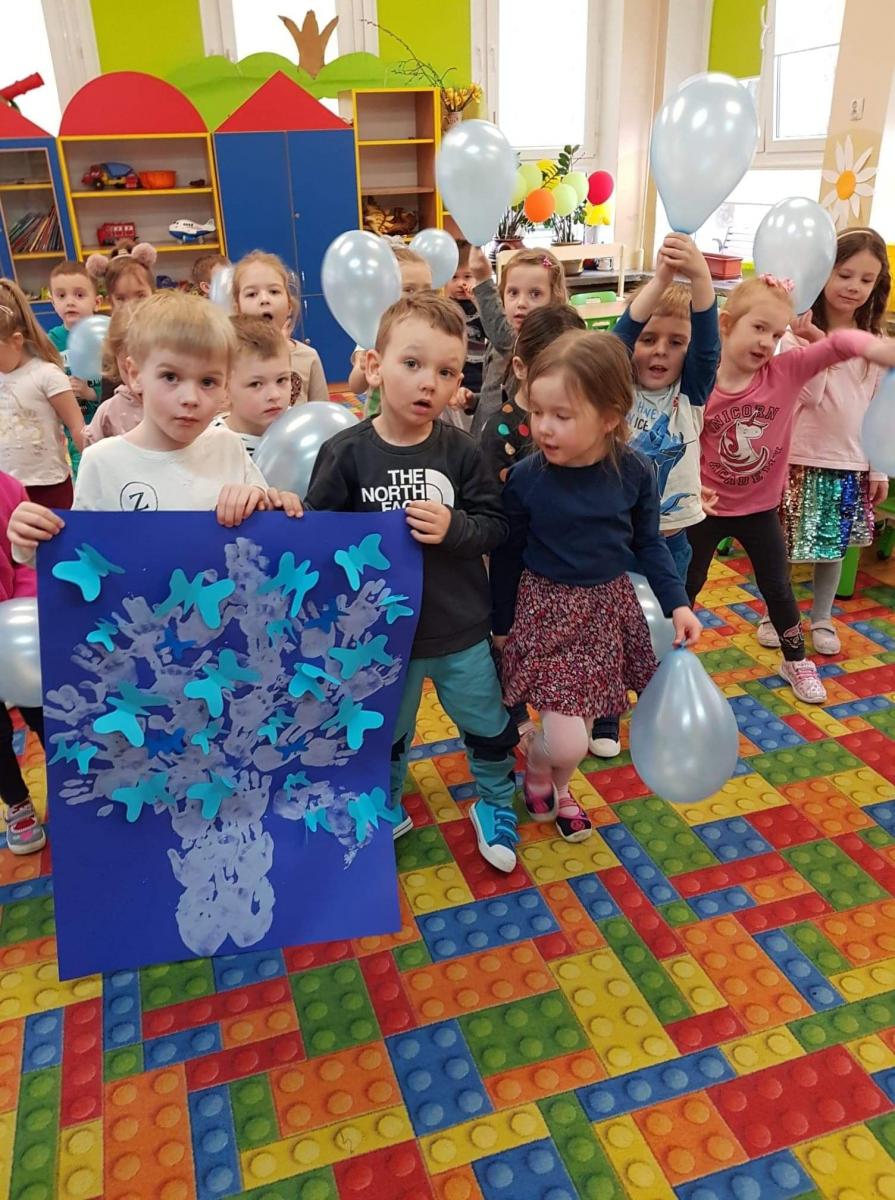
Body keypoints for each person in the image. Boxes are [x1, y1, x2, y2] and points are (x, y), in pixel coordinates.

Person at [304, 293, 521, 872]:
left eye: (447, 372)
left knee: (487, 724)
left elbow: (496, 525)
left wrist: (455, 528)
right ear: (375, 366)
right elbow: (318, 539)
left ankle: (495, 803)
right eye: (412, 363)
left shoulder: (462, 452)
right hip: (383, 640)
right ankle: (386, 803)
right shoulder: (345, 454)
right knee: (384, 730)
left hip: (460, 630)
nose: (430, 382)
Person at [491, 331, 701, 842]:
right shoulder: (526, 479)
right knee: (567, 739)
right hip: (547, 612)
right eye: (538, 412)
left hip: (605, 613)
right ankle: (540, 764)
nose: (543, 427)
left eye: (562, 416)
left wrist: (677, 604)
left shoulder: (635, 472)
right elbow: (508, 555)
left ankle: (559, 786)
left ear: (609, 417)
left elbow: (648, 543)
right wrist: (500, 623)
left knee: (581, 729)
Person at [688, 273, 895, 704]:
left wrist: (878, 350)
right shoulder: (700, 382)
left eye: (777, 333)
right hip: (706, 510)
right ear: (726, 324)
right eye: (758, 328)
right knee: (687, 584)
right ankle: (666, 657)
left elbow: (838, 344)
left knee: (778, 588)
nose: (767, 342)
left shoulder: (784, 372)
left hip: (761, 510)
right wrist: (692, 489)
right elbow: (684, 443)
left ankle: (796, 660)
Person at [7, 291, 300, 536]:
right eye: (170, 377)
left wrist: (267, 504)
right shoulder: (102, 462)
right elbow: (82, 553)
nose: (190, 398)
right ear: (135, 375)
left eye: (208, 381)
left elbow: (265, 532)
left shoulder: (229, 446)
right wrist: (31, 541)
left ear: (225, 386)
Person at [588, 232, 720, 758]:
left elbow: (708, 340)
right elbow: (619, 337)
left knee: (666, 629)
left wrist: (701, 275)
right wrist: (663, 278)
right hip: (617, 543)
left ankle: (658, 706)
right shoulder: (617, 393)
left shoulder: (692, 394)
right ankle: (605, 712)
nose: (660, 350)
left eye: (675, 341)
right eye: (650, 339)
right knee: (609, 631)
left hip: (672, 542)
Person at [757, 228, 891, 656]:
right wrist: (818, 347)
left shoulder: (875, 344)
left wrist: (877, 467)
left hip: (848, 460)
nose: (854, 287)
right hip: (795, 456)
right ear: (822, 273)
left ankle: (822, 617)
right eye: (844, 274)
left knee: (832, 549)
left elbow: (878, 408)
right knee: (782, 545)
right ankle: (774, 615)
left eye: (866, 279)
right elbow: (806, 397)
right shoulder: (794, 333)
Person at [0, 277, 85, 510]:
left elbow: (77, 427)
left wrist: (94, 472)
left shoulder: (46, 375)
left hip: (50, 487)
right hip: (7, 489)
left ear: (16, 341)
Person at [480, 304, 586, 487]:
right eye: (550, 371)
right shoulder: (500, 431)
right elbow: (493, 500)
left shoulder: (584, 417)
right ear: (520, 368)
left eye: (576, 371)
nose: (563, 382)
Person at [467, 245, 567, 438]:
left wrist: (483, 280)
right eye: (513, 292)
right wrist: (475, 401)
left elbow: (507, 340)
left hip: (512, 447)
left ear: (554, 300)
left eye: (535, 294)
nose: (521, 303)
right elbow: (497, 394)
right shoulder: (496, 345)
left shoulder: (545, 348)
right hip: (483, 441)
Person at [0, 469, 46, 854]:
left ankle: (71, 781)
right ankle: (16, 801)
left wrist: (23, 606)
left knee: (46, 713)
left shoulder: (7, 487)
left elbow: (25, 560)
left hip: (15, 637)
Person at [233, 250, 329, 405]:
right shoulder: (228, 357)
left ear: (289, 306)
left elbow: (322, 412)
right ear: (237, 308)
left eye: (274, 291)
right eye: (252, 294)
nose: (264, 299)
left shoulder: (308, 357)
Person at [348, 246, 434, 418]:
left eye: (426, 290)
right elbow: (356, 386)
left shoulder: (433, 332)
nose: (419, 297)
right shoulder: (375, 333)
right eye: (408, 289)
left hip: (420, 418)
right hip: (378, 422)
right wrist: (363, 367)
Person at [47, 260, 102, 477]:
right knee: (84, 473)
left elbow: (118, 382)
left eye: (79, 295)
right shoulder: (50, 341)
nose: (70, 302)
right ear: (52, 303)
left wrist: (91, 393)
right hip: (74, 430)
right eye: (61, 296)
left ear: (97, 302)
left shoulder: (105, 335)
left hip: (108, 423)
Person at [212, 315, 291, 456]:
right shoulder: (212, 446)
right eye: (256, 384)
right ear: (225, 388)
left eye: (281, 380)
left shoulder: (298, 426)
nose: (274, 395)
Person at [83, 303, 143, 444]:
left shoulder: (172, 403)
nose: (138, 378)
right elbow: (91, 450)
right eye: (127, 369)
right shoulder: (109, 411)